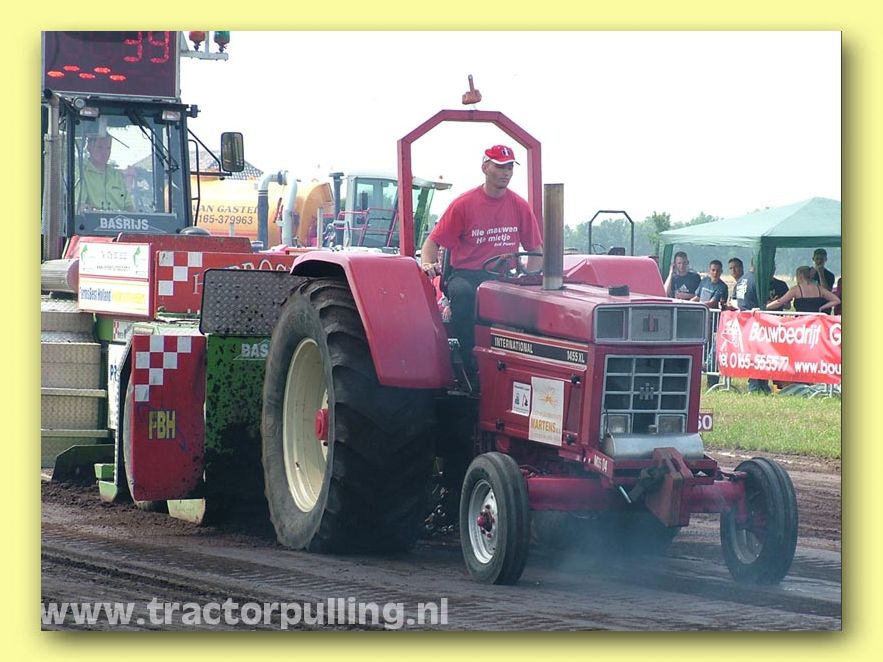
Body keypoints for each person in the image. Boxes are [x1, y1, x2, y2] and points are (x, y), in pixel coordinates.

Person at [420, 144, 543, 375]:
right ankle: (471, 362)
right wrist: (427, 263)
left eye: (509, 167)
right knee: (464, 295)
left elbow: (536, 250)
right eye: (500, 167)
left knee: (528, 303)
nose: (506, 172)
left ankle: (521, 363)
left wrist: (532, 280)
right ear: (485, 168)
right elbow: (431, 243)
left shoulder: (520, 206)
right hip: (467, 275)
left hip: (503, 277)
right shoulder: (464, 205)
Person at [726, 257, 770, 393]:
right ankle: (756, 385)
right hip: (755, 322)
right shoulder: (758, 280)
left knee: (752, 353)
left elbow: (735, 301)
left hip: (743, 322)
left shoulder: (741, 280)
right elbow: (763, 302)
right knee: (758, 354)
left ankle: (759, 384)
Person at [77, 134, 135, 212]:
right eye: (100, 147)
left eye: (108, 148)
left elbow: (129, 205)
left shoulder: (116, 175)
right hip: (92, 219)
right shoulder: (80, 173)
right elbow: (79, 206)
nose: (104, 152)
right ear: (89, 147)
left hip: (120, 219)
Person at [766, 265, 840, 313]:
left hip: (801, 323)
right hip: (816, 322)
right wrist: (821, 308)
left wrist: (765, 307)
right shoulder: (819, 289)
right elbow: (836, 300)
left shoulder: (796, 290)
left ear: (800, 275)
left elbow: (779, 302)